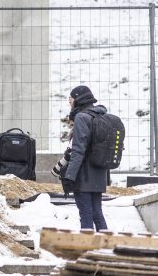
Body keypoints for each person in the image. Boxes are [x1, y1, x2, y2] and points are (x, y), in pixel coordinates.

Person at [62, 85, 110, 231]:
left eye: (70, 99)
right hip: (99, 174)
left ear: (77, 99)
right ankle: (106, 247)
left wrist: (70, 176)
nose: (69, 102)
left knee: (86, 215)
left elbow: (78, 150)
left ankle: (87, 250)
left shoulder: (82, 118)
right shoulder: (101, 116)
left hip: (84, 175)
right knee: (97, 214)